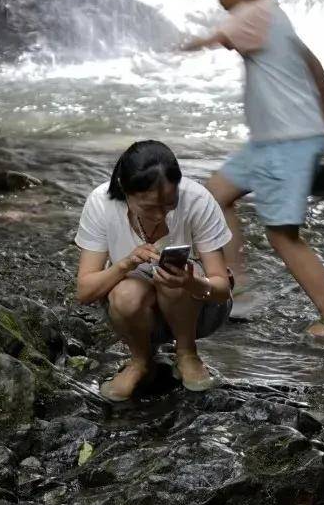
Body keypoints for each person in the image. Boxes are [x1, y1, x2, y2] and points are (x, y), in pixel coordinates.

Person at [182, 0, 324, 339]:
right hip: (273, 140)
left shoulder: (252, 15)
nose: (219, 1)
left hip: (286, 141)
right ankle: (237, 287)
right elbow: (314, 64)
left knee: (282, 234)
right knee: (215, 196)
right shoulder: (276, 16)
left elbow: (217, 37)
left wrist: (181, 45)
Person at [75, 141, 233, 400]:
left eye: (169, 204)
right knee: (126, 292)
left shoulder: (197, 199)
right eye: (149, 207)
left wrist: (191, 282)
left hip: (201, 312)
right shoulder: (101, 203)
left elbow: (222, 288)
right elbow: (84, 292)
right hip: (135, 316)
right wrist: (126, 263)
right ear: (126, 191)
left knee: (174, 278)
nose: (160, 215)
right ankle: (141, 360)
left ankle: (187, 353)